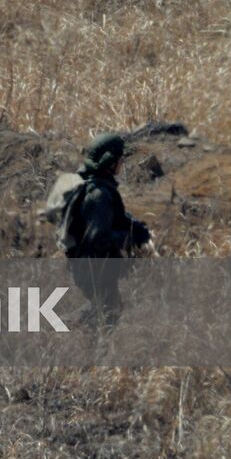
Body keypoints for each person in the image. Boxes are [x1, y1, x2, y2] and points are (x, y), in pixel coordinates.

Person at [65, 133, 151, 329]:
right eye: (120, 159)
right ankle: (61, 330)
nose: (122, 162)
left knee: (108, 310)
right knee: (106, 314)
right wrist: (129, 237)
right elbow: (98, 238)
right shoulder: (99, 195)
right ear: (110, 162)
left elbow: (114, 218)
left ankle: (69, 332)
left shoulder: (92, 185)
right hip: (96, 268)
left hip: (89, 266)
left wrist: (135, 227)